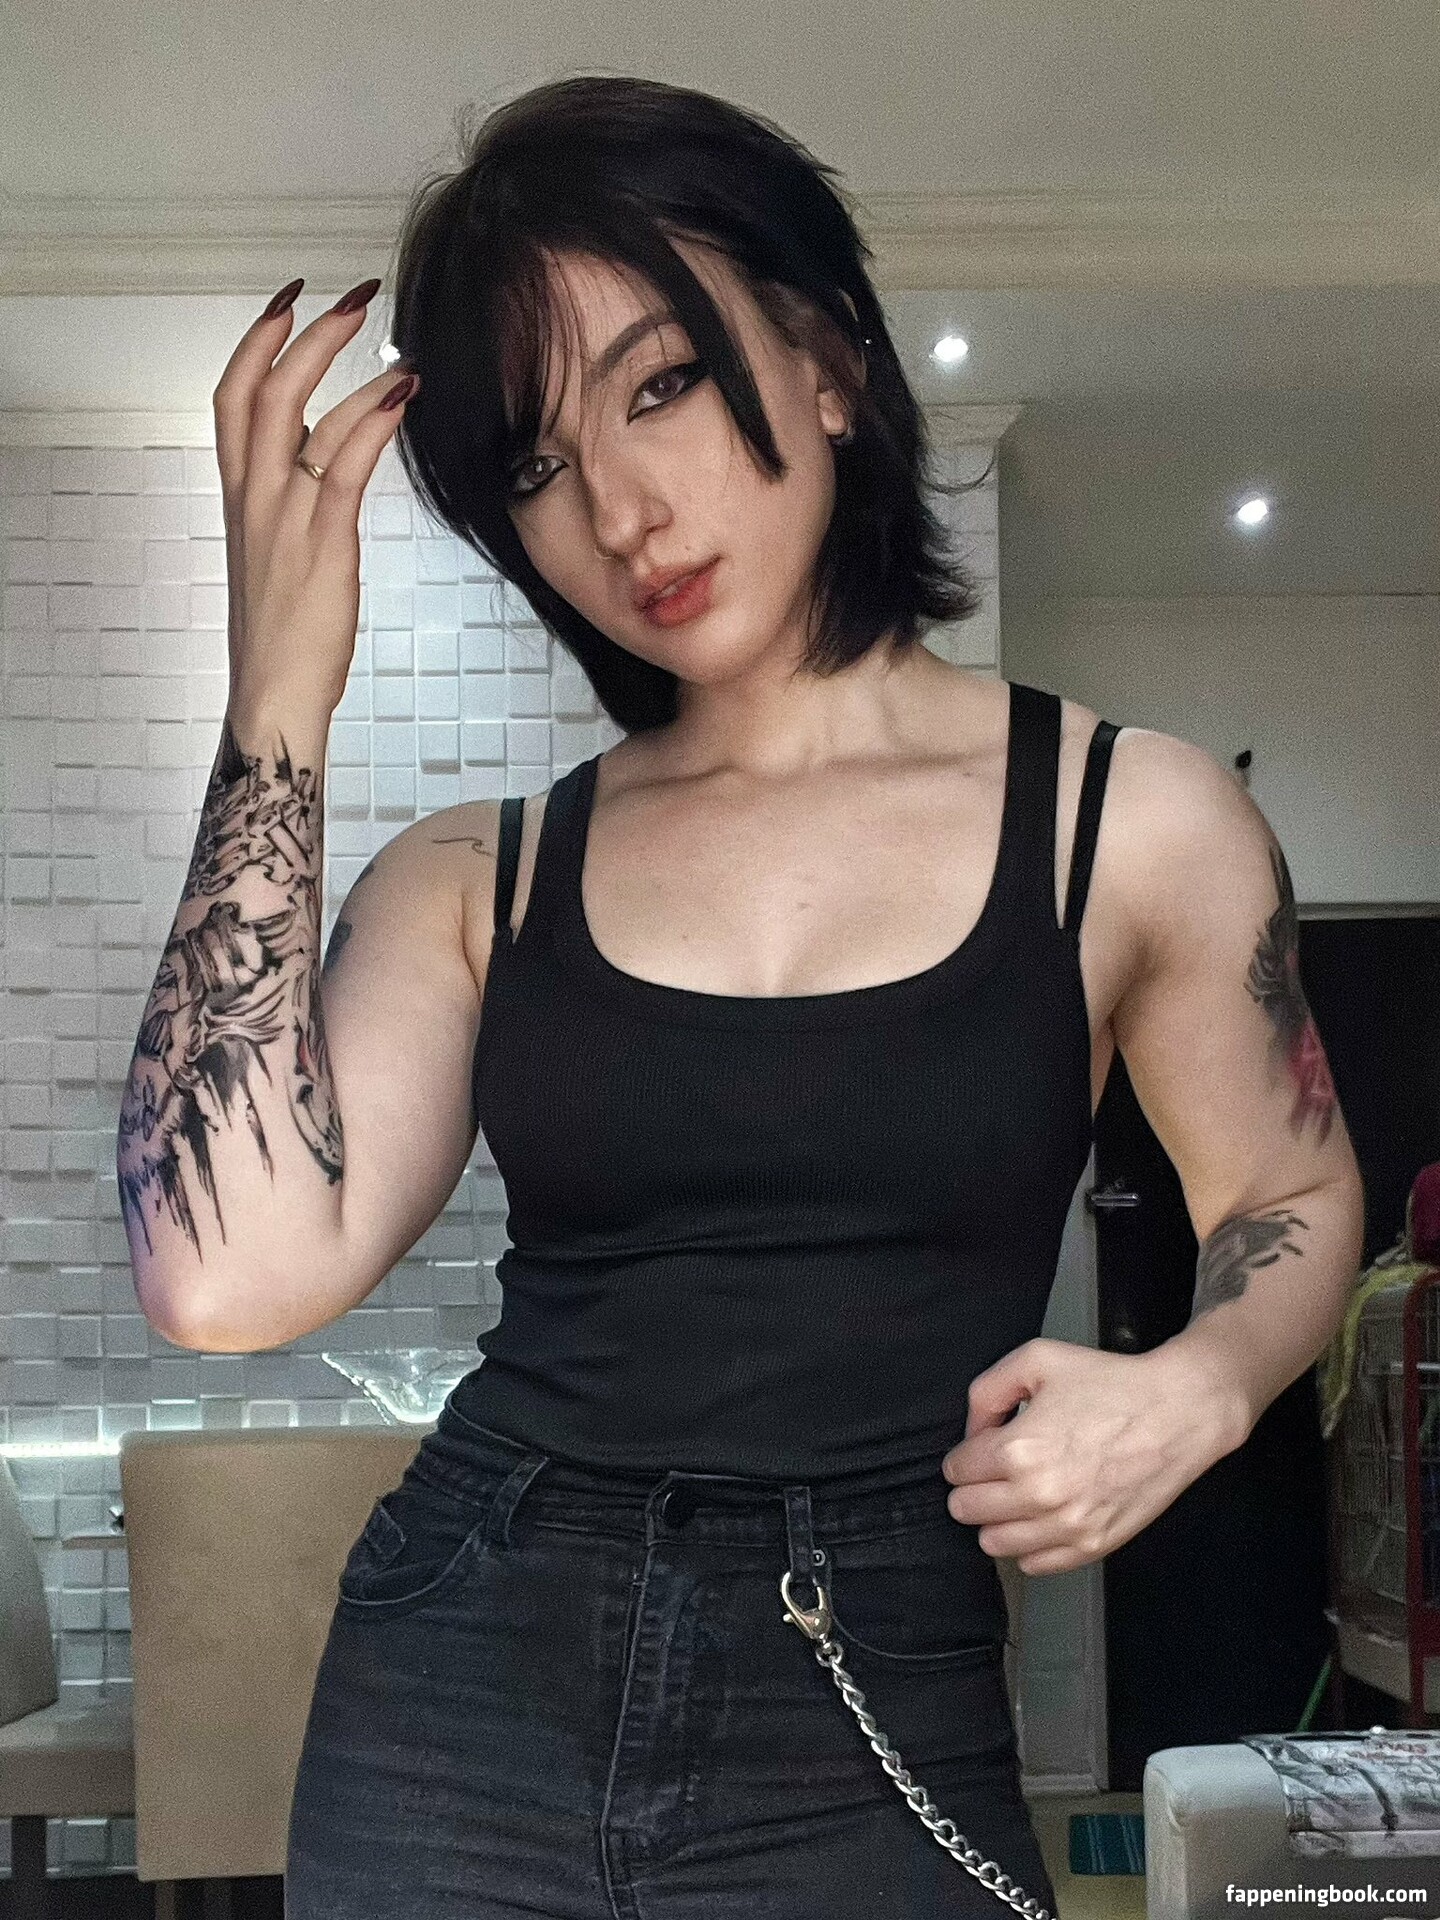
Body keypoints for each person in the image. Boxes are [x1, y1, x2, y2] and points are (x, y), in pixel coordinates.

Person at [118, 74, 1366, 1920]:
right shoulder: (480, 879)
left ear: (830, 360)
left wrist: (1199, 1384)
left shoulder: (1135, 823)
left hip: (874, 1674)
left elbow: (1290, 1187)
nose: (621, 512)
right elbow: (220, 1279)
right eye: (537, 468)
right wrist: (278, 693)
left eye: (662, 386)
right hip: (466, 1678)